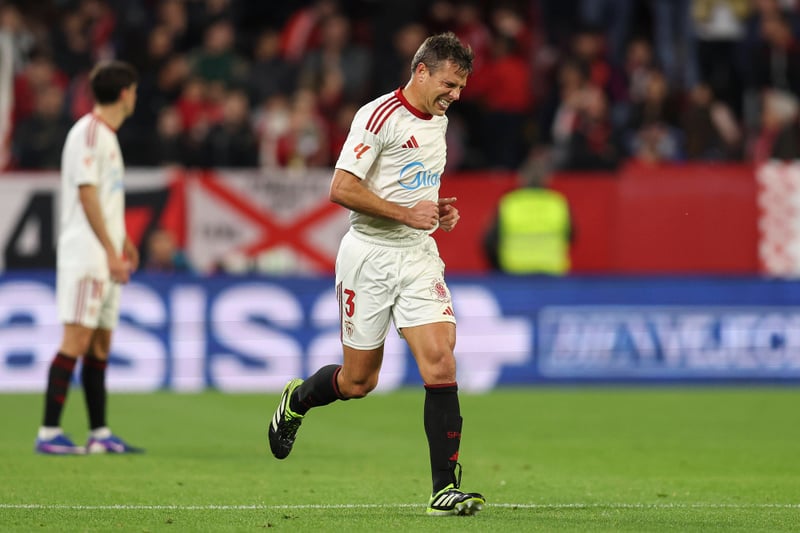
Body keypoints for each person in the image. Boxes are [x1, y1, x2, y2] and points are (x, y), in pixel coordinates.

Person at [267, 32, 485, 517]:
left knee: (441, 361)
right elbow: (341, 188)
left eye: (460, 87)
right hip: (369, 256)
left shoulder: (440, 121)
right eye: (449, 84)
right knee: (358, 381)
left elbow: (412, 186)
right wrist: (404, 213)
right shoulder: (377, 116)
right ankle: (298, 400)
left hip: (417, 254)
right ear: (421, 71)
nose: (455, 95)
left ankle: (443, 490)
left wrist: (434, 210)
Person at [34, 61, 144, 455]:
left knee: (99, 346)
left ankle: (99, 433)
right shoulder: (88, 132)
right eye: (134, 91)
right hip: (86, 254)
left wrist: (123, 241)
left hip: (106, 253)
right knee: (76, 340)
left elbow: (106, 200)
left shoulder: (108, 137)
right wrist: (111, 250)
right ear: (125, 93)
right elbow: (86, 194)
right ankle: (49, 432)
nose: (135, 97)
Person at [484, 151, 573, 274]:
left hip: (514, 273)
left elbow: (489, 241)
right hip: (552, 273)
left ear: (521, 178)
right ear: (547, 178)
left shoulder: (509, 203)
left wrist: (497, 270)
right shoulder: (558, 203)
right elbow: (571, 237)